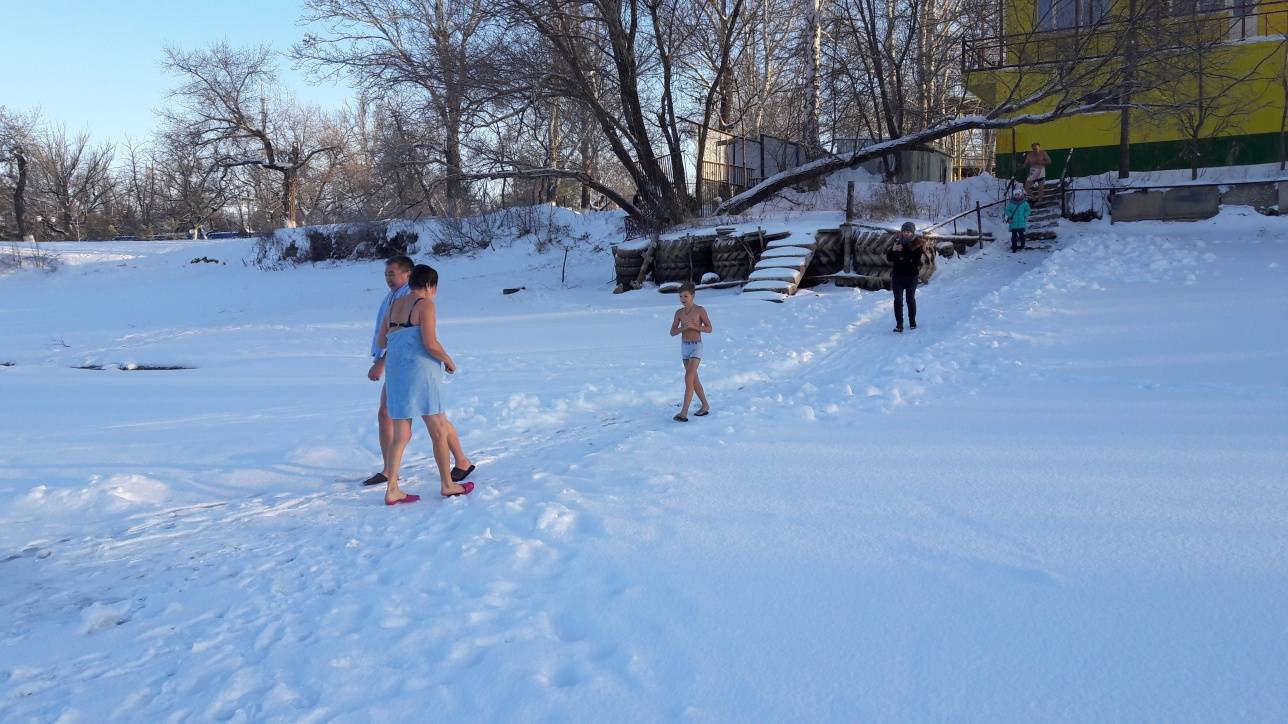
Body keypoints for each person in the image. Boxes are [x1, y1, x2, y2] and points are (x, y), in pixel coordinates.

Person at [377, 264, 476, 505]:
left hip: (396, 372)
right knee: (438, 429)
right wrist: (449, 361)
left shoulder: (392, 306)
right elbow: (430, 343)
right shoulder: (425, 305)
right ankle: (447, 484)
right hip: (421, 371)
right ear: (431, 285)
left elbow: (382, 340)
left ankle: (392, 488)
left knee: (401, 433)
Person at [363, 255, 413, 487]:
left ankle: (460, 460)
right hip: (395, 363)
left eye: (392, 274)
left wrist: (382, 362)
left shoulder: (408, 297)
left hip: (404, 363)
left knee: (433, 418)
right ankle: (387, 469)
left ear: (407, 274)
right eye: (386, 274)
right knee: (387, 414)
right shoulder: (392, 296)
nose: (388, 279)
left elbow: (400, 335)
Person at [669, 282, 712, 422]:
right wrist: (683, 328)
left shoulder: (700, 310)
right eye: (680, 296)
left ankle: (684, 413)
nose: (683, 299)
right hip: (685, 347)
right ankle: (705, 405)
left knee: (688, 377)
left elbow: (709, 328)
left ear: (693, 295)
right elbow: (672, 332)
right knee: (694, 379)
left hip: (696, 346)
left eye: (686, 296)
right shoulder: (679, 313)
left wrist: (695, 326)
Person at [886, 222, 923, 333]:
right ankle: (899, 325)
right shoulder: (896, 242)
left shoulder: (917, 244)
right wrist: (893, 250)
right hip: (897, 276)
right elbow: (889, 258)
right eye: (904, 231)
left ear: (912, 233)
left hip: (911, 276)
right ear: (901, 232)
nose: (906, 234)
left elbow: (915, 260)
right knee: (898, 300)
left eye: (908, 232)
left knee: (910, 299)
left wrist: (901, 253)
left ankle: (912, 321)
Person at [1004, 188, 1031, 252]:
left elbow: (1028, 210)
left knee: (1022, 235)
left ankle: (1022, 245)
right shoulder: (1011, 203)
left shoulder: (1024, 203)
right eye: (1016, 194)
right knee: (1014, 237)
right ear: (1014, 195)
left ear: (1021, 195)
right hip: (1013, 223)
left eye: (1018, 194)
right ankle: (1014, 248)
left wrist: (1024, 215)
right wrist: (1011, 215)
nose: (1017, 196)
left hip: (1021, 223)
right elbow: (1007, 210)